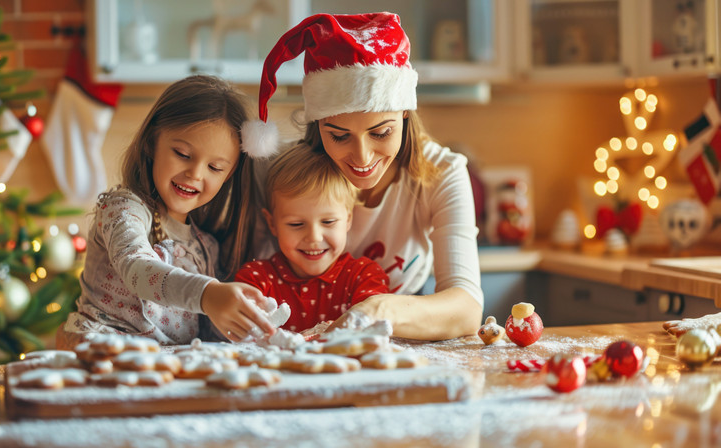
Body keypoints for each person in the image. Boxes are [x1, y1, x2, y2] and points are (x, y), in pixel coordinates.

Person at [240, 12, 483, 340]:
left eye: (381, 132)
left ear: (405, 115)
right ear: (317, 125)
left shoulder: (443, 173)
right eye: (339, 136)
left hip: (397, 341)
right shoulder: (284, 174)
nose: (363, 158)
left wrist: (377, 310)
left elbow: (466, 308)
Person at [57, 75, 277, 350]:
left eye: (215, 168)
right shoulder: (122, 209)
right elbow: (137, 268)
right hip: (101, 355)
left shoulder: (207, 247)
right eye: (183, 153)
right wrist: (208, 294)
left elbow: (208, 335)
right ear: (151, 142)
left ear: (229, 176)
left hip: (162, 369)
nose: (195, 174)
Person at [234, 143, 390, 332]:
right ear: (272, 223)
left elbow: (372, 329)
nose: (314, 237)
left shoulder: (364, 276)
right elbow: (241, 335)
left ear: (348, 219)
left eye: (328, 222)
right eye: (296, 224)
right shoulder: (256, 280)